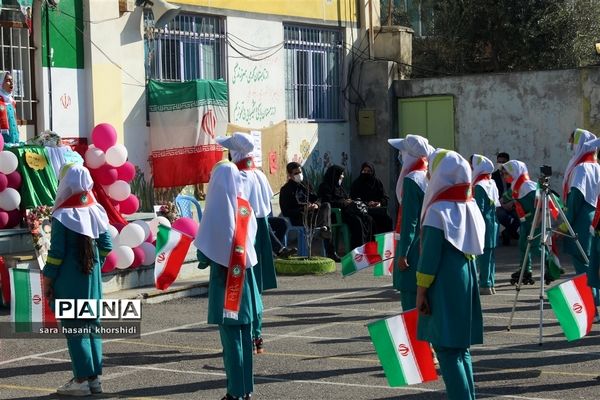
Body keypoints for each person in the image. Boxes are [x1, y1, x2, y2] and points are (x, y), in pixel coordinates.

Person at [416, 149, 485, 400]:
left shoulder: (438, 210)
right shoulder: (470, 204)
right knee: (460, 348)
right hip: (466, 274)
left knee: (446, 349)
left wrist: (421, 290)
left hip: (444, 279)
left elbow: (430, 256)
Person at [41, 163, 112, 396]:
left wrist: (48, 279)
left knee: (75, 329)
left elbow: (56, 254)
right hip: (92, 281)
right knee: (92, 327)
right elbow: (107, 245)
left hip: (69, 282)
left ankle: (80, 380)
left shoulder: (62, 215)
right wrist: (93, 265)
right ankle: (94, 379)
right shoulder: (96, 209)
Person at [194, 160, 261, 400]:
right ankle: (246, 390)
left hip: (226, 283)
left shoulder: (215, 210)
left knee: (231, 343)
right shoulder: (244, 207)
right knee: (244, 337)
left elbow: (203, 253)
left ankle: (235, 392)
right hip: (246, 278)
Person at [216, 132, 274, 355]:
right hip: (261, 229)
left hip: (245, 231)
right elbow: (267, 204)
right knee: (255, 286)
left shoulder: (239, 177)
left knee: (246, 286)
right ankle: (256, 334)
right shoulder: (258, 174)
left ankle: (252, 333)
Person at [388, 134, 433, 311]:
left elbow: (409, 220)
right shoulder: (429, 175)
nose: (400, 156)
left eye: (402, 152)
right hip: (427, 239)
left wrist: (403, 252)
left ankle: (415, 337)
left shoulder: (412, 179)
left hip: (413, 244)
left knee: (410, 297)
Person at [279, 161, 339, 261]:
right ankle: (327, 241)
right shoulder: (285, 190)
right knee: (327, 225)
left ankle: (324, 228)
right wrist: (303, 209)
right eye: (296, 173)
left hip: (313, 214)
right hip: (300, 217)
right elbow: (286, 211)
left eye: (300, 172)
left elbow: (317, 198)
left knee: (326, 205)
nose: (299, 175)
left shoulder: (306, 185)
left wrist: (316, 204)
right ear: (290, 175)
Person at [562, 129, 600, 276]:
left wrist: (566, 223)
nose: (569, 143)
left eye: (571, 140)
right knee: (592, 263)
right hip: (594, 217)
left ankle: (590, 298)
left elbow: (576, 197)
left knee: (582, 264)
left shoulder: (581, 168)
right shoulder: (596, 166)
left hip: (581, 220)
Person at [318, 164, 373, 250]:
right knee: (357, 221)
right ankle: (357, 249)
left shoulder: (339, 188)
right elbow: (328, 203)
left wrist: (349, 201)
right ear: (335, 175)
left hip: (347, 212)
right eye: (341, 174)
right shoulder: (325, 187)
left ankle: (367, 246)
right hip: (335, 215)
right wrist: (344, 203)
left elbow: (346, 198)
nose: (343, 177)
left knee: (368, 219)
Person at [502, 160, 540, 284]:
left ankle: (552, 268)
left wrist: (537, 222)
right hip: (524, 220)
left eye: (506, 173)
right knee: (523, 245)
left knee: (536, 247)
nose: (504, 176)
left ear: (515, 172)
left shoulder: (528, 186)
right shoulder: (515, 185)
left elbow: (538, 206)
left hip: (535, 220)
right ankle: (525, 269)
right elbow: (504, 198)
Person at [470, 154, 500, 295]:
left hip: (483, 224)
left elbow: (479, 208)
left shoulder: (479, 185)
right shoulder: (491, 183)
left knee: (482, 256)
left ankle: (484, 284)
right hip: (493, 223)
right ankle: (490, 282)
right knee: (490, 256)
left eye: (472, 165)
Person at [350, 161, 393, 234]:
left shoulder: (377, 182)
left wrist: (379, 203)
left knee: (387, 219)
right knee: (370, 221)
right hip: (363, 211)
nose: (366, 173)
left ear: (372, 172)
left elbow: (385, 197)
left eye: (369, 171)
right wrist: (367, 204)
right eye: (364, 171)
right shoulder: (356, 183)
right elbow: (354, 200)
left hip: (377, 210)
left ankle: (383, 243)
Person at [492, 152, 520, 245]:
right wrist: (503, 204)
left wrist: (512, 202)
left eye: (503, 162)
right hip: (499, 203)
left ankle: (508, 232)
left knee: (520, 216)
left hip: (513, 203)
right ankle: (508, 233)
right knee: (502, 215)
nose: (501, 164)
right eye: (499, 162)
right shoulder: (493, 176)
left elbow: (517, 190)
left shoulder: (513, 175)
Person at [0, 71, 18, 144]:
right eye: (8, 80)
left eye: (12, 80)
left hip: (14, 139)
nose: (11, 83)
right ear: (1, 83)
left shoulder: (11, 101)